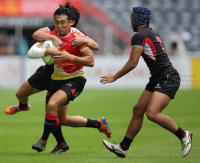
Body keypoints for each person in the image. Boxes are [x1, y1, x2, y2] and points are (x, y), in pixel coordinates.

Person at [5, 2, 111, 153]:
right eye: (57, 21)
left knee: (52, 107)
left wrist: (75, 51)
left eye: (63, 22)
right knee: (57, 116)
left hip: (71, 79)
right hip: (51, 74)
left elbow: (93, 55)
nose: (59, 25)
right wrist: (52, 40)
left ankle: (46, 141)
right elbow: (36, 36)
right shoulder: (52, 29)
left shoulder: (77, 36)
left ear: (71, 22)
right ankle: (97, 124)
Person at [100, 6, 192, 158]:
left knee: (152, 113)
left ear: (137, 19)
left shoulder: (139, 36)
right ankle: (123, 147)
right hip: (159, 77)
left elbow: (132, 63)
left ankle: (183, 135)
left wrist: (114, 77)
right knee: (138, 110)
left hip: (167, 77)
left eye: (131, 17)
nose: (130, 19)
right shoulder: (151, 33)